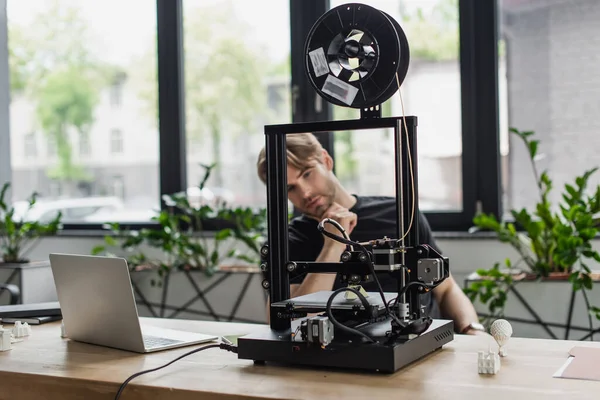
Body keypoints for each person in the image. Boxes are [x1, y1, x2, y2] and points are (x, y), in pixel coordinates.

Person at [256, 133, 485, 335]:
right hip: (342, 361)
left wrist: (472, 330)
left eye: (307, 174)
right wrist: (333, 246)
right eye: (290, 188)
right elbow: (285, 322)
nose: (305, 192)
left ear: (326, 160)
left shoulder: (399, 213)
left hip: (421, 347)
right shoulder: (285, 242)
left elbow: (445, 289)